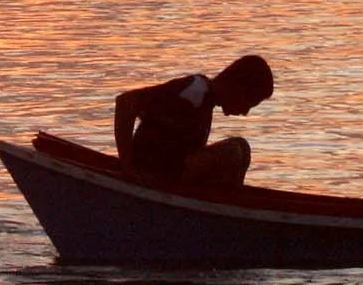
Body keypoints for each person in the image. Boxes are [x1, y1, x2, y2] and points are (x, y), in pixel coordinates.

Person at [114, 54, 275, 187]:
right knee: (234, 151)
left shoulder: (205, 101)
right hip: (154, 173)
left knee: (242, 148)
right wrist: (127, 167)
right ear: (238, 89)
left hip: (171, 171)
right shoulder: (194, 91)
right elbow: (126, 102)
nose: (245, 112)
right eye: (249, 103)